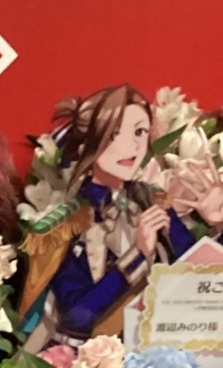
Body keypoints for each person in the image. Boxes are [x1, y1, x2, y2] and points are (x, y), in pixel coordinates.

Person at [21, 85, 223, 347]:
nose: (132, 146)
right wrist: (137, 254)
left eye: (139, 132)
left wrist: (217, 225)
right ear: (87, 145)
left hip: (161, 353)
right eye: (115, 134)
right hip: (86, 362)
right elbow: (76, 317)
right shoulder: (67, 224)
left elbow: (200, 280)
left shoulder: (153, 200)